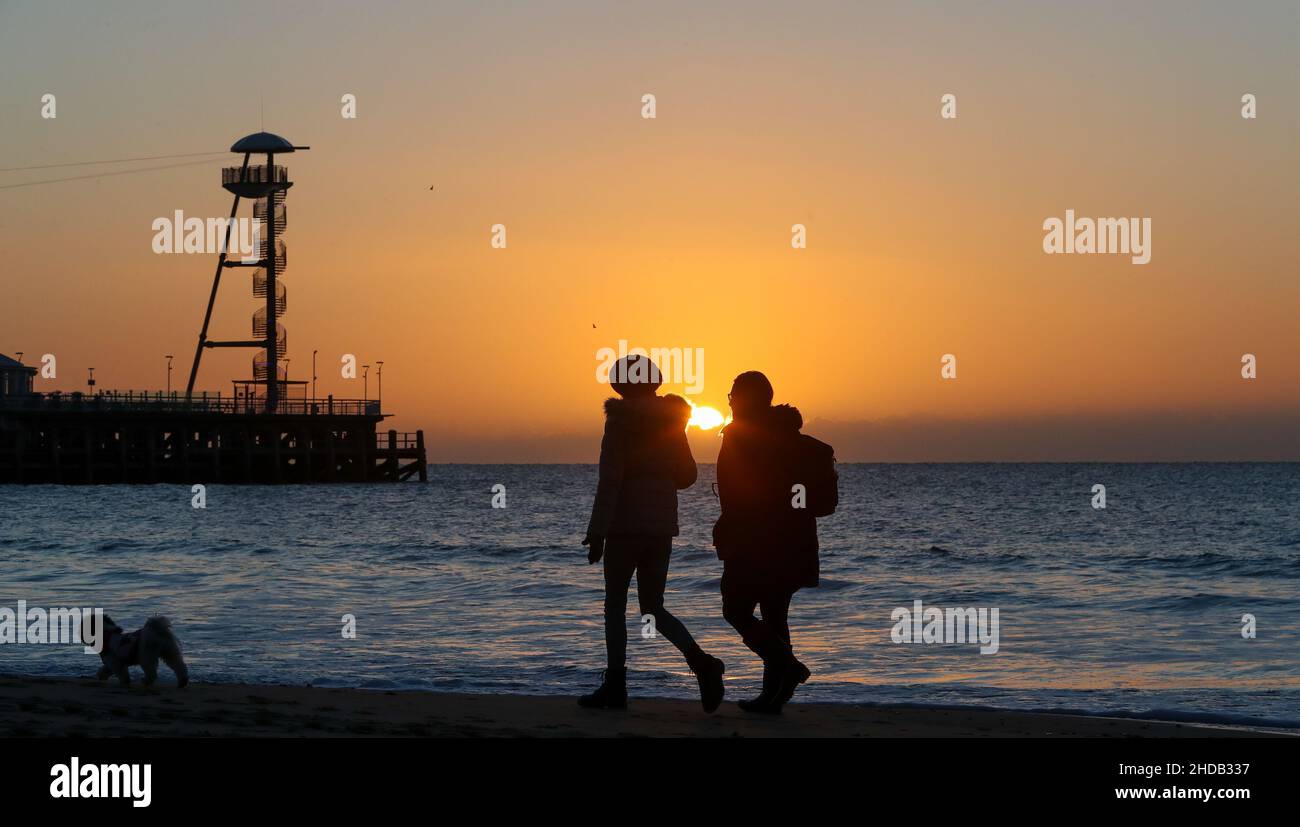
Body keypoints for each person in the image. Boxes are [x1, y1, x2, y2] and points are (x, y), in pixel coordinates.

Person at [579, 355, 725, 712]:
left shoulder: (619, 422)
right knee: (654, 607)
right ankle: (701, 662)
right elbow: (688, 475)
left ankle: (615, 686)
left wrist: (597, 532)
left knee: (615, 605)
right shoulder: (673, 420)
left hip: (624, 526)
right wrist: (660, 476)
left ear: (621, 386)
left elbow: (610, 481)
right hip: (661, 528)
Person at [713, 371, 820, 713]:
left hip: (754, 541)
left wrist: (728, 530)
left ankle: (788, 669)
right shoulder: (787, 433)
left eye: (734, 395)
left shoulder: (741, 436)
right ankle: (773, 696)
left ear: (747, 399)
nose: (730, 401)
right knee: (775, 614)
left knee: (735, 610)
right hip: (793, 540)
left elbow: (738, 493)